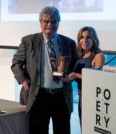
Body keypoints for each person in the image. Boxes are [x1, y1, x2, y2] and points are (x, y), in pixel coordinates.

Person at [11, 6, 78, 134]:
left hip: (61, 96)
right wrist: (23, 80)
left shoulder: (69, 43)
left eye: (53, 22)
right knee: (38, 131)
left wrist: (70, 75)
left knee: (63, 130)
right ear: (40, 22)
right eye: (46, 21)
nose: (49, 25)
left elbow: (74, 66)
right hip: (39, 96)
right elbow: (16, 63)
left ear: (58, 23)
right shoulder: (28, 41)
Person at [66, 26, 105, 127]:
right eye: (82, 37)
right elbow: (73, 76)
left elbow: (98, 79)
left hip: (93, 99)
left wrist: (76, 75)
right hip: (81, 97)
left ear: (94, 40)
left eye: (88, 37)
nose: (84, 40)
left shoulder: (99, 56)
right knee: (83, 127)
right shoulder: (80, 57)